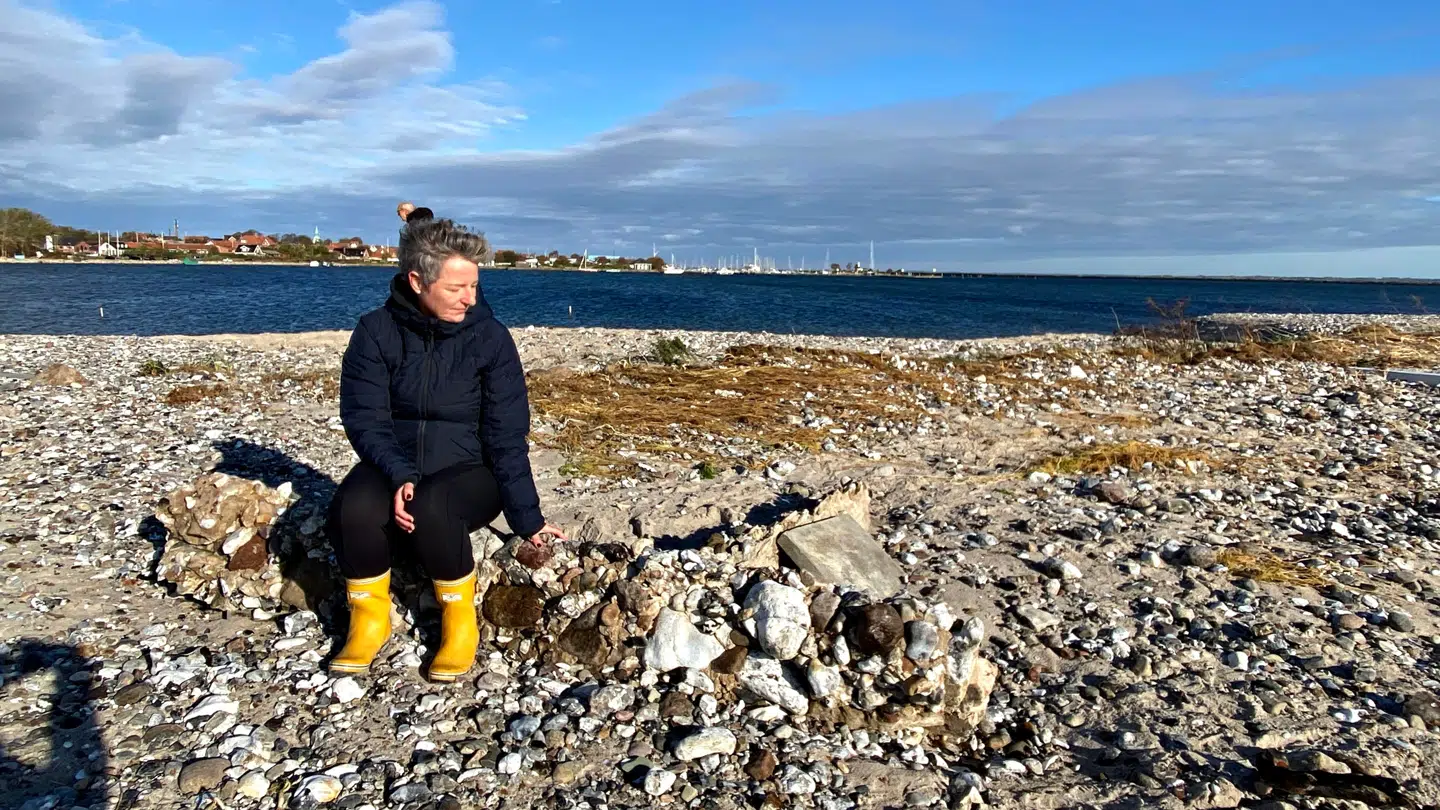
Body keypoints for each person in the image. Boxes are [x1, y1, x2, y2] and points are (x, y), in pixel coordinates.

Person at [328, 215, 566, 682]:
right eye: (457, 288)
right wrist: (398, 474)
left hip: (469, 474)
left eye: (475, 285)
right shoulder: (375, 331)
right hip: (395, 463)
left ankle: (458, 625)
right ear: (417, 281)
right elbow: (364, 417)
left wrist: (528, 520)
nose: (470, 298)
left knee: (435, 507)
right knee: (352, 507)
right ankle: (368, 621)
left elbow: (506, 434)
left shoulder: (491, 338)